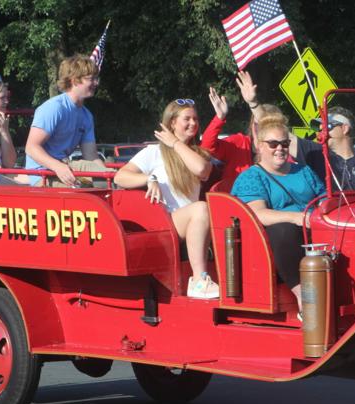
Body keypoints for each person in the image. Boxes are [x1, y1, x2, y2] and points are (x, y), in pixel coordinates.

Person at [114, 99, 219, 299]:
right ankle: (198, 281)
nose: (193, 124)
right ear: (172, 123)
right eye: (186, 119)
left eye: (196, 119)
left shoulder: (198, 154)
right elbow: (121, 177)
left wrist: (176, 143)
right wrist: (149, 178)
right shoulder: (154, 152)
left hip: (189, 222)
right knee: (201, 209)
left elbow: (201, 170)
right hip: (164, 222)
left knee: (205, 210)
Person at [241, 72, 355, 189]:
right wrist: (254, 104)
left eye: (327, 125)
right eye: (319, 126)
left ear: (345, 128)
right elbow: (275, 129)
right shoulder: (315, 153)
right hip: (326, 231)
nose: (321, 130)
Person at [231, 116, 326, 315]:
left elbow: (325, 199)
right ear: (260, 146)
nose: (279, 148)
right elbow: (258, 214)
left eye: (284, 143)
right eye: (273, 143)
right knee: (284, 230)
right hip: (274, 246)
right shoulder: (251, 176)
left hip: (314, 233)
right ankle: (304, 297)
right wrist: (296, 217)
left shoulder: (304, 171)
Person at [25, 55, 111, 187]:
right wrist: (57, 166)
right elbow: (31, 147)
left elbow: (91, 156)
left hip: (66, 166)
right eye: (91, 79)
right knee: (85, 193)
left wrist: (108, 177)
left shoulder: (86, 116)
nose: (96, 83)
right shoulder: (54, 108)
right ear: (74, 80)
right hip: (42, 174)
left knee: (114, 179)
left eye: (96, 78)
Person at [200, 71, 288, 185]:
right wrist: (219, 117)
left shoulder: (282, 151)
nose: (263, 132)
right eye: (259, 125)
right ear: (252, 126)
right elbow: (206, 147)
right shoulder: (239, 143)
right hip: (237, 200)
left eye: (270, 128)